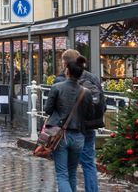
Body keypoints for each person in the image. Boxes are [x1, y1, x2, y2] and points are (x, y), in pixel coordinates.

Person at [54, 50, 103, 192]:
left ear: (65, 63)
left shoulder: (61, 80)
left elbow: (55, 108)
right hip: (89, 127)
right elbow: (102, 103)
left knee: (68, 168)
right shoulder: (92, 78)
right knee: (89, 163)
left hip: (70, 129)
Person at [45, 56, 93, 192]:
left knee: (62, 174)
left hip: (60, 136)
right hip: (78, 136)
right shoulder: (86, 92)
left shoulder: (56, 88)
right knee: (72, 173)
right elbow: (89, 115)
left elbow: (47, 109)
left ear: (67, 71)